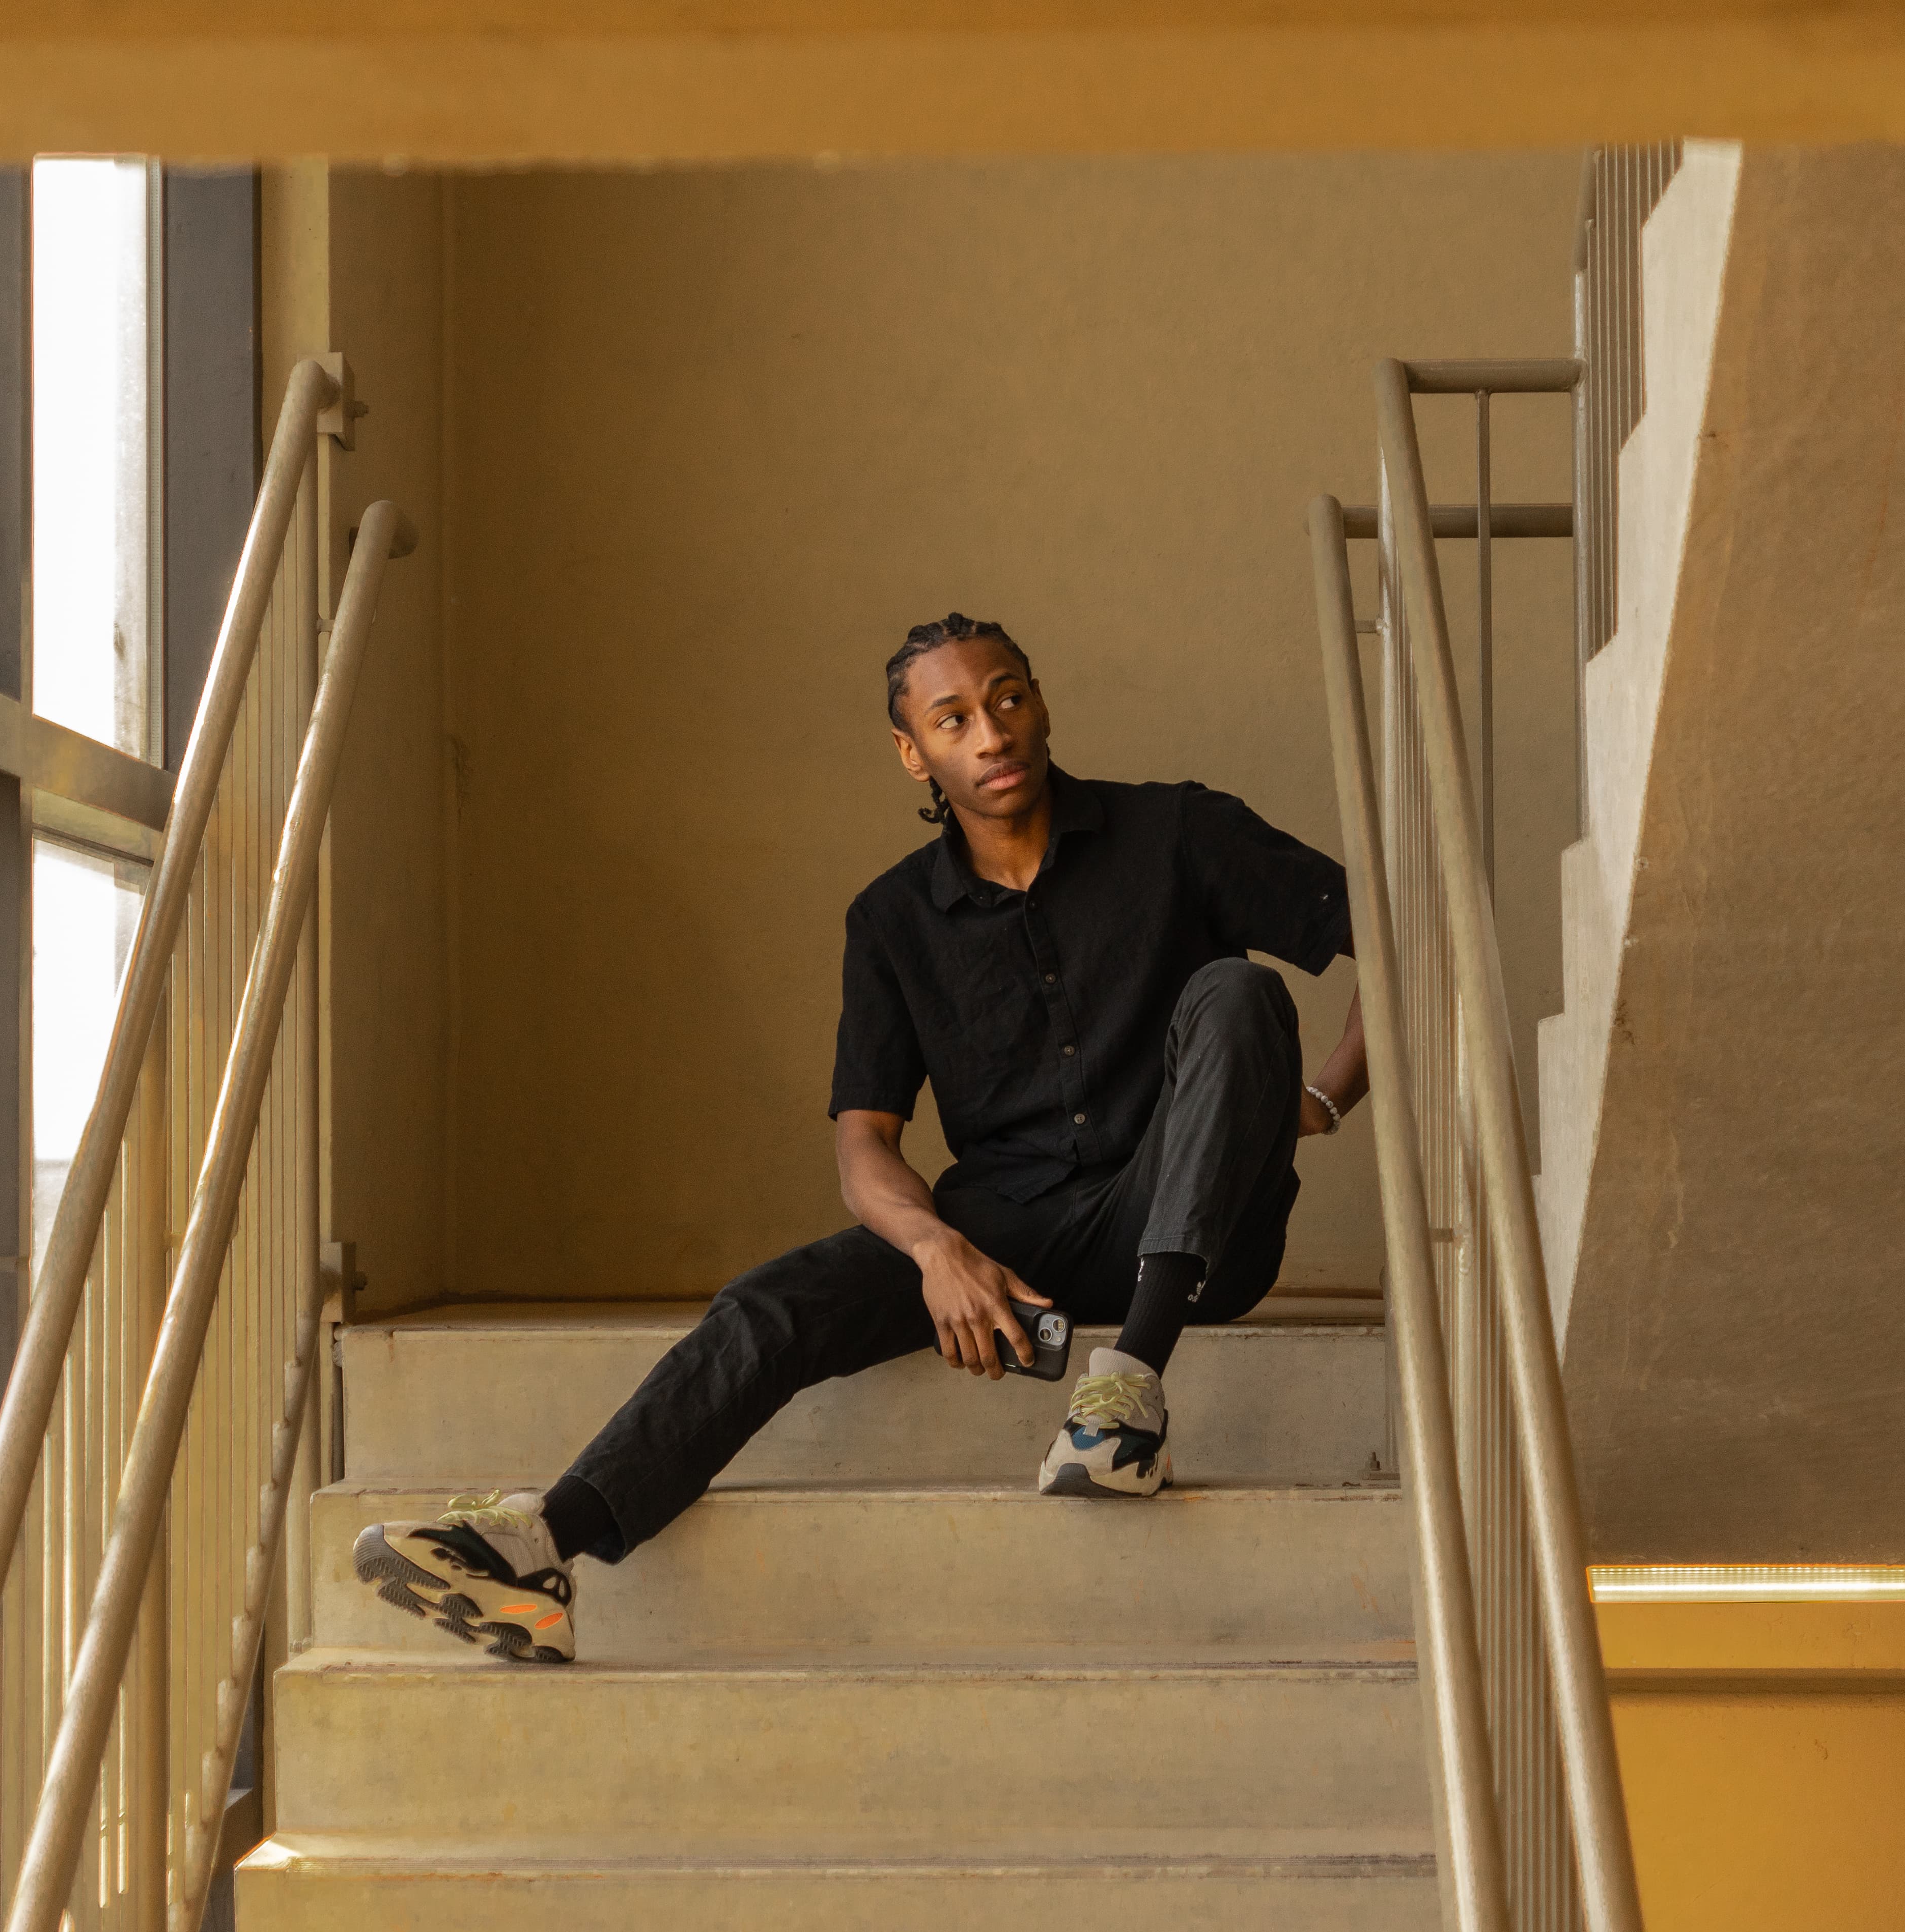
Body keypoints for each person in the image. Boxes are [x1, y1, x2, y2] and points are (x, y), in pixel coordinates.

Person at [355, 613, 1368, 1663]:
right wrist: (937, 1252)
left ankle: (1126, 1396)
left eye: (1008, 698)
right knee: (771, 1306)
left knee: (1237, 992)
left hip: (1192, 1226)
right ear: (913, 750)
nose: (992, 732)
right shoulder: (891, 920)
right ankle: (543, 1547)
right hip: (1003, 1236)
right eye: (955, 718)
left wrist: (1328, 1096)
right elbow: (865, 1146)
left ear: (1041, 700)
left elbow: (1397, 922)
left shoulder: (1180, 834)